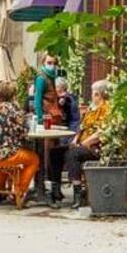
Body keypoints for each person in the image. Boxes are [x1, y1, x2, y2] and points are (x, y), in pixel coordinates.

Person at [48, 79, 112, 209]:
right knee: (55, 152)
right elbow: (81, 128)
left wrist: (83, 143)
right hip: (83, 143)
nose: (92, 96)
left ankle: (78, 192)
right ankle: (56, 189)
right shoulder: (91, 109)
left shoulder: (106, 109)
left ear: (100, 95)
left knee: (72, 154)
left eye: (94, 93)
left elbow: (101, 133)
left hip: (96, 148)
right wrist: (75, 140)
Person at [0, 82, 40, 206]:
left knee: (5, 152)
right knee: (33, 159)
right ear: (14, 95)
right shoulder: (14, 110)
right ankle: (19, 193)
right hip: (5, 155)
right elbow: (24, 133)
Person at [34, 55, 63, 126]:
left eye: (54, 63)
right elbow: (37, 99)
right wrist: (40, 118)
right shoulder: (41, 78)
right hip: (46, 116)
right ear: (43, 63)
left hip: (54, 114)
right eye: (49, 63)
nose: (52, 65)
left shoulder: (53, 76)